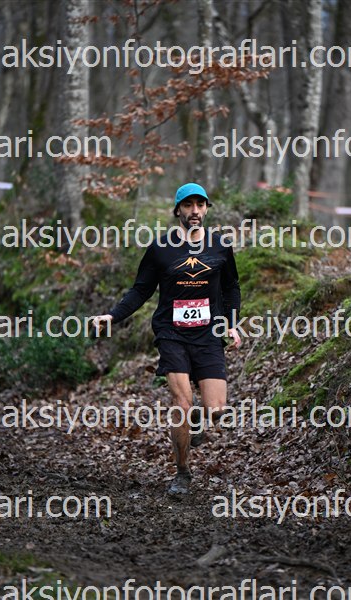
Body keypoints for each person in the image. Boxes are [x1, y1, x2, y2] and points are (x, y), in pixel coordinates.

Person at [93, 182, 241, 495]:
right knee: (181, 403)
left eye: (200, 205)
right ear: (178, 210)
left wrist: (231, 324)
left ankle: (199, 418)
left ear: (206, 209)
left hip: (209, 333)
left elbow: (231, 288)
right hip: (171, 333)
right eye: (188, 205)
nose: (195, 211)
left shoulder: (220, 246)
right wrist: (113, 316)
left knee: (216, 409)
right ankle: (182, 473)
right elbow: (141, 290)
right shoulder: (160, 249)